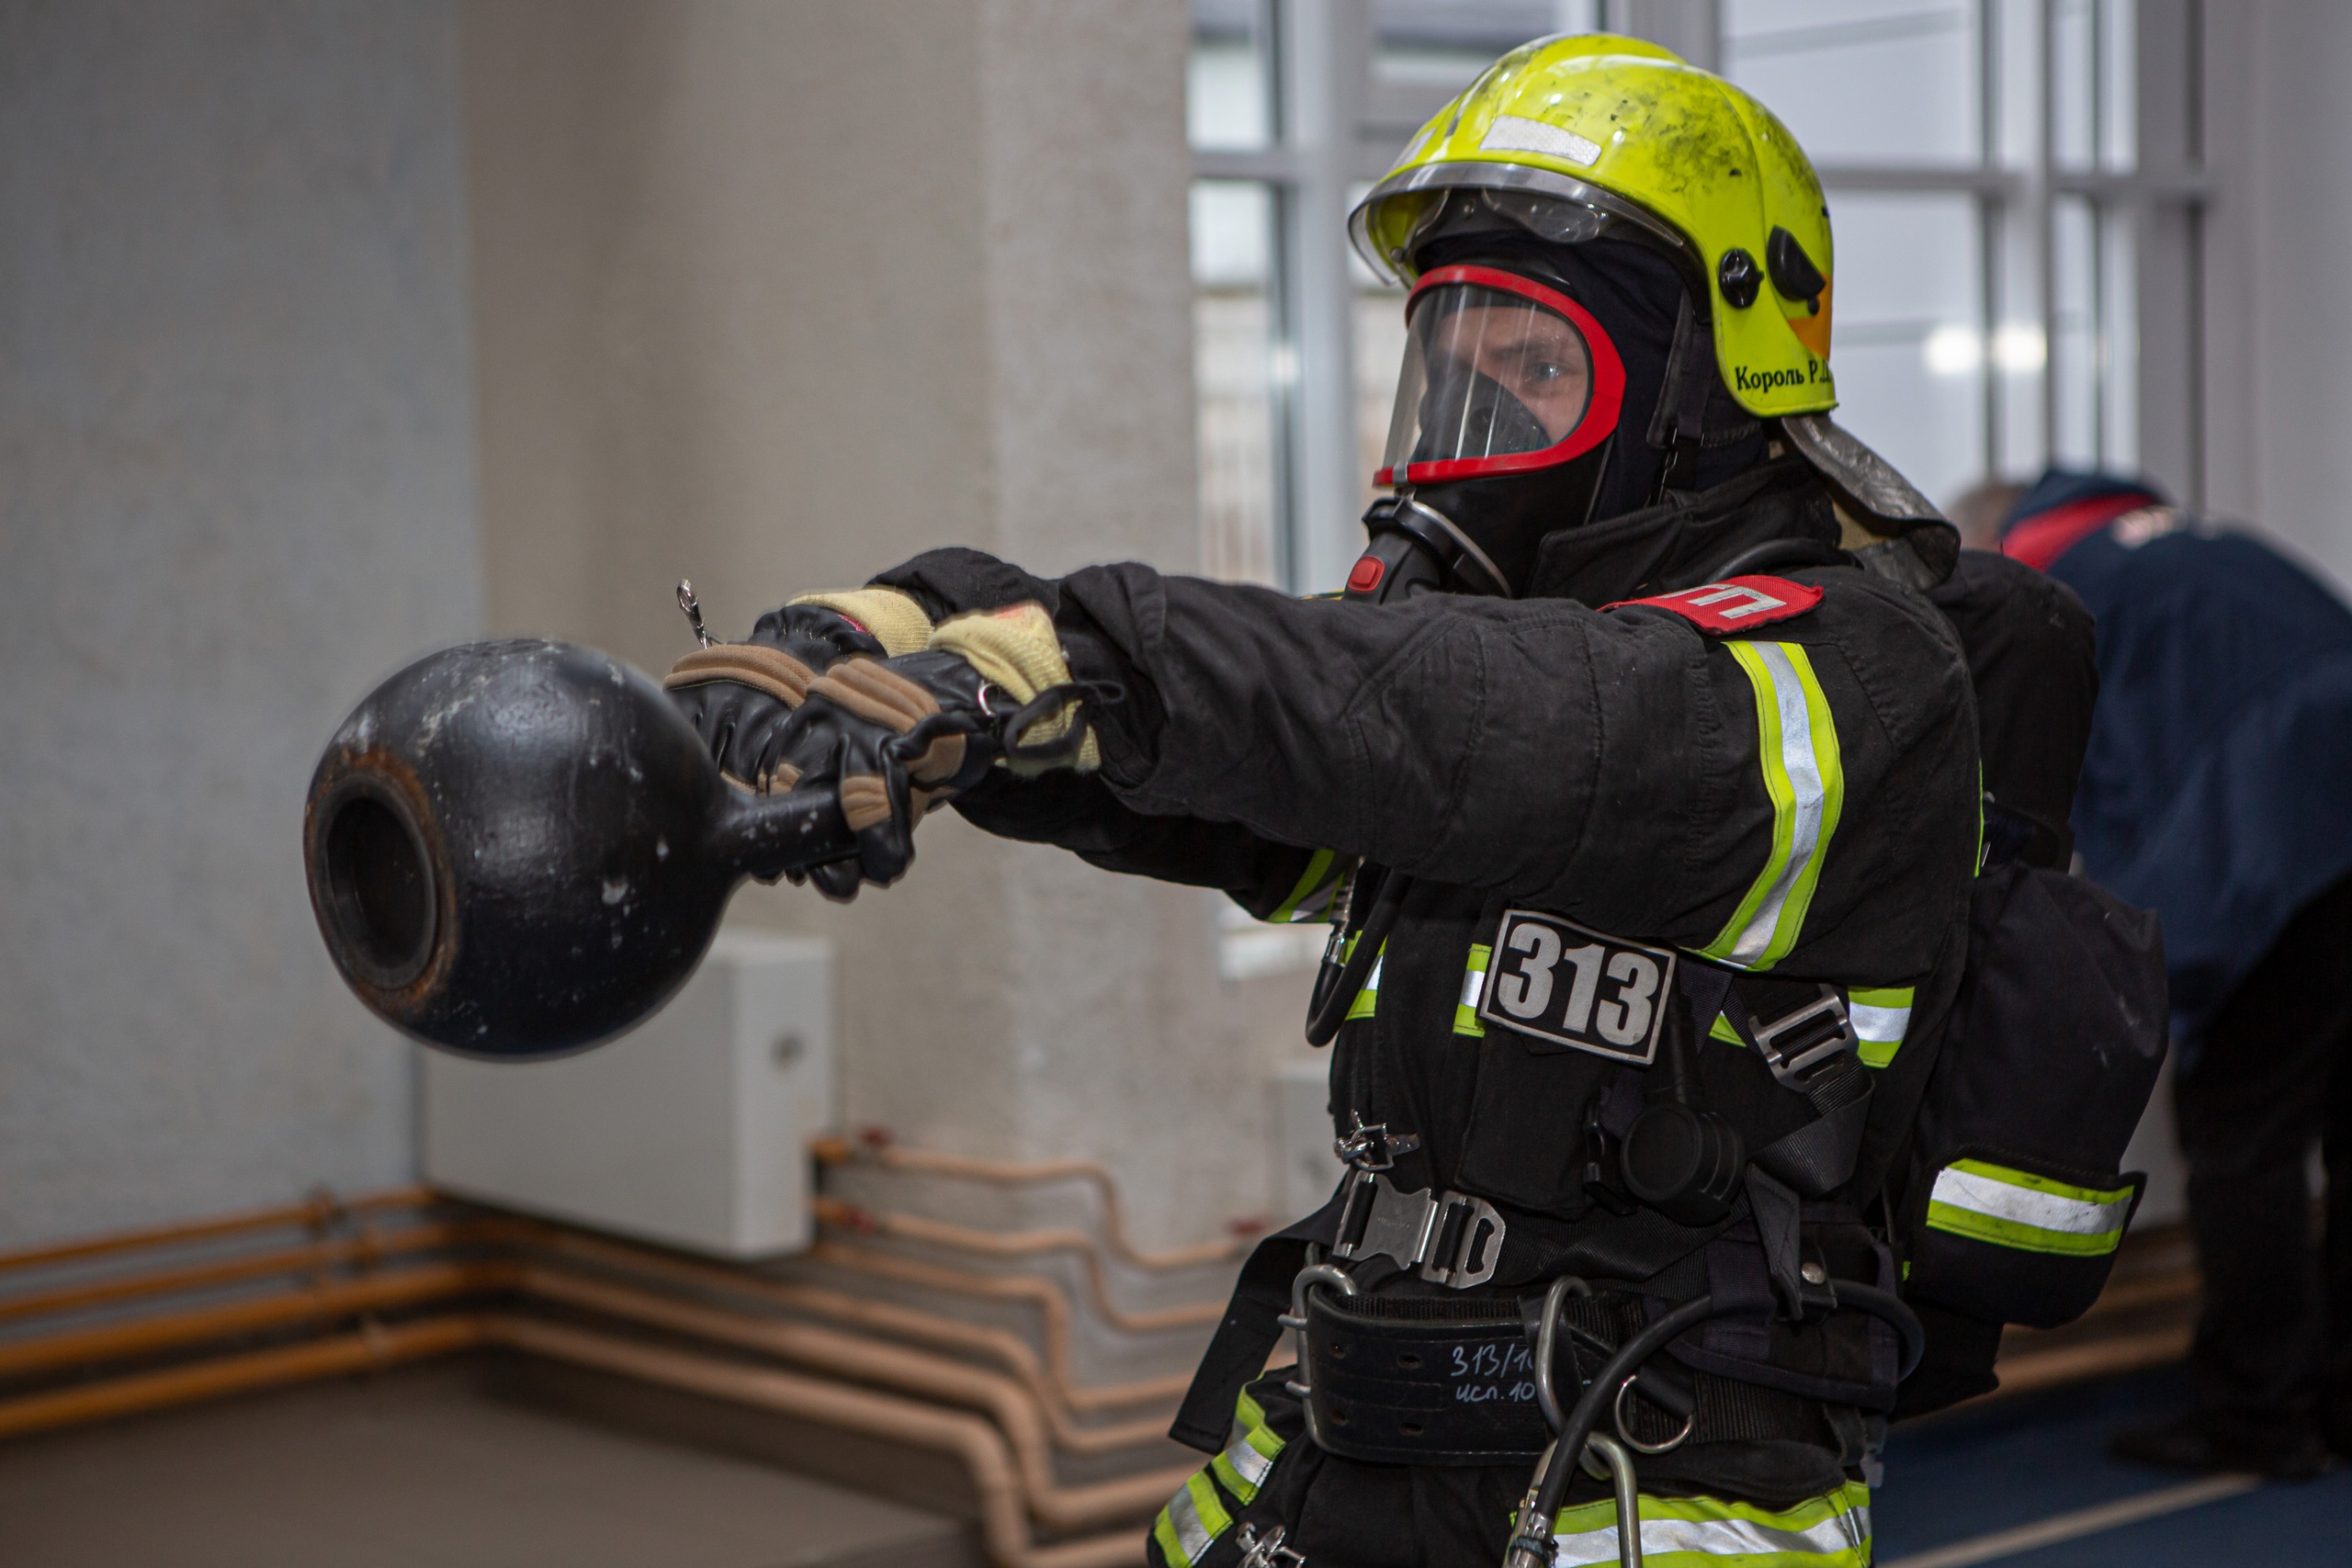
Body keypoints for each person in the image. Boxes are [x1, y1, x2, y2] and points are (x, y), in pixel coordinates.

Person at [670, 37, 1983, 1566]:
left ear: (1704, 386)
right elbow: (1260, 754)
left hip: (1651, 1499)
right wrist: (899, 639)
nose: (1470, 446)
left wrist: (1062, 656)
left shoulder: (1846, 678)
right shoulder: (1492, 688)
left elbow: (1491, 725)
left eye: (1537, 376)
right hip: (1347, 1447)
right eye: (1451, 373)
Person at [1995, 468, 2352, 1480]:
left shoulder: (2039, 579)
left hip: (2280, 833)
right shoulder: (2188, 539)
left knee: (2246, 1136)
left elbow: (2019, 787)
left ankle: (2258, 1419)